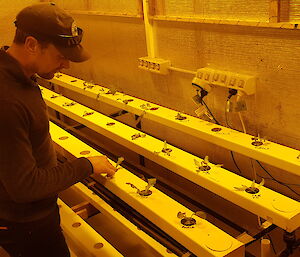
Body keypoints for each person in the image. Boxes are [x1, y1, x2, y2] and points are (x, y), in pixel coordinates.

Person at [0, 3, 117, 257]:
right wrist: (87, 166)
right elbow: (24, 187)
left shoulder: (18, 76)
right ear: (31, 45)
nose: (66, 65)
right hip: (27, 223)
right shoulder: (7, 99)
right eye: (60, 56)